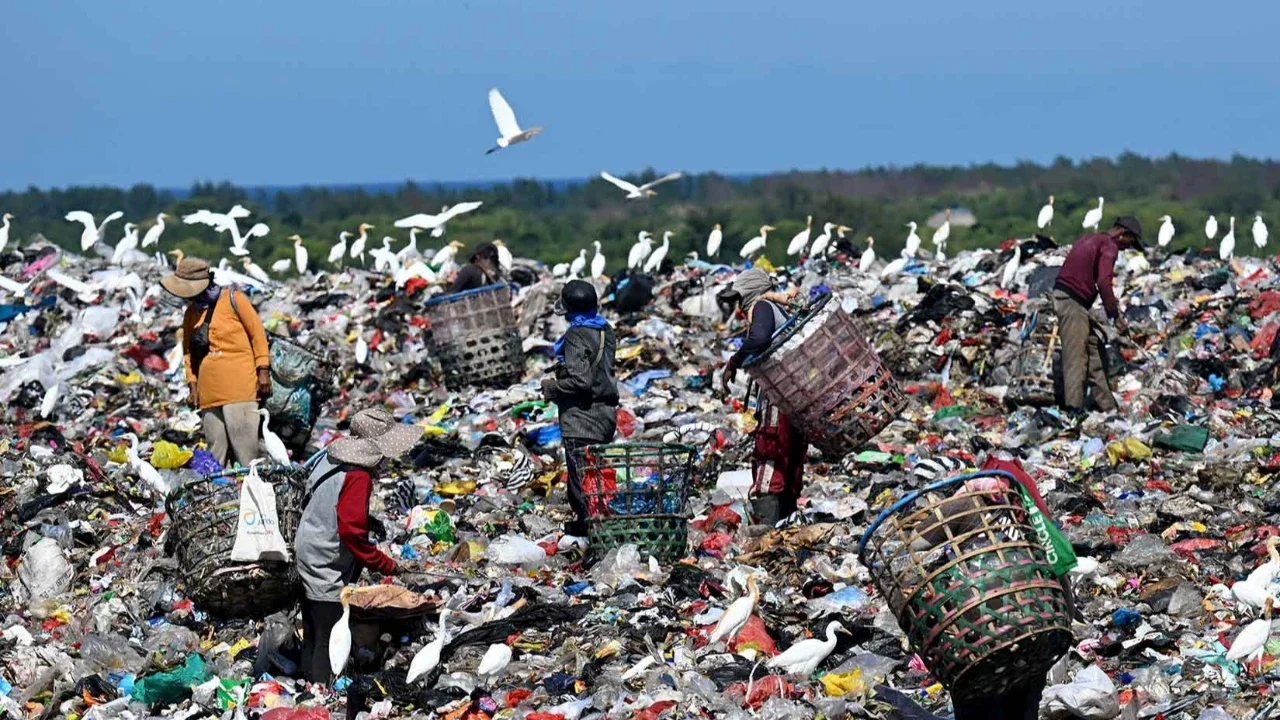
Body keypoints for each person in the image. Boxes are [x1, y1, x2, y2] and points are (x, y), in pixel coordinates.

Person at [293, 408, 421, 683]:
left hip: (308, 545)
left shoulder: (332, 458)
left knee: (313, 630)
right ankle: (320, 694)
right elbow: (351, 533)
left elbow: (334, 504)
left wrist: (368, 522)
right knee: (329, 634)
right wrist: (386, 564)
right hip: (324, 558)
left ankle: (308, 688)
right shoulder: (358, 476)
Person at [162, 256, 271, 468]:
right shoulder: (191, 313)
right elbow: (187, 351)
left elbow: (257, 334)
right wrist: (192, 383)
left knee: (246, 453)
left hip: (240, 388)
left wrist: (263, 368)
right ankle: (225, 498)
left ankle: (254, 496)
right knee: (216, 456)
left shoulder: (233, 299)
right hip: (208, 394)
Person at [718, 268, 806, 526]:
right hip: (795, 390)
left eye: (738, 297)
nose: (737, 304)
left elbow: (759, 339)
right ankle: (786, 523)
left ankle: (766, 527)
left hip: (779, 392)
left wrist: (733, 362)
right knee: (789, 453)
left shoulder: (762, 307)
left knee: (770, 450)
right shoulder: (776, 309)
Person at [541, 280, 619, 546]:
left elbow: (581, 381)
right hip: (606, 416)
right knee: (597, 476)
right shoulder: (606, 330)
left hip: (582, 418)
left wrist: (552, 388)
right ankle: (600, 527)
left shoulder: (576, 335)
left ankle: (592, 536)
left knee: (582, 481)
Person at [1051, 216, 1143, 414]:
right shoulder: (1110, 246)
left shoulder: (1091, 239)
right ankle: (1073, 410)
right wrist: (1115, 317)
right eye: (1130, 241)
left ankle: (1108, 407)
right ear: (1122, 233)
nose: (1128, 247)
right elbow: (1103, 282)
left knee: (1094, 349)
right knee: (1076, 355)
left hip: (1074, 300)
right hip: (1071, 300)